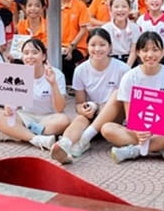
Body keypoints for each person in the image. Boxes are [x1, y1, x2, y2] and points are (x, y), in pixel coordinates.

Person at [104, 32, 164, 162]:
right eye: (145, 50)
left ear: (162, 52)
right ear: (138, 52)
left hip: (163, 130)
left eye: (155, 50)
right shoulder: (130, 77)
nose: (150, 55)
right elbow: (129, 116)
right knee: (107, 128)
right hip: (137, 131)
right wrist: (139, 132)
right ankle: (161, 147)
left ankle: (134, 151)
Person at [50, 28, 131, 163]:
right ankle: (64, 144)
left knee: (117, 94)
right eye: (93, 45)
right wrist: (83, 109)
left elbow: (126, 103)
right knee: (80, 119)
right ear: (87, 47)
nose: (97, 49)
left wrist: (100, 107)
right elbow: (79, 103)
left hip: (113, 118)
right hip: (92, 114)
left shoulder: (123, 69)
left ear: (110, 47)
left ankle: (84, 139)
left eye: (102, 45)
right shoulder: (81, 70)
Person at [0, 37, 72, 152]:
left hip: (48, 118)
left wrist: (53, 83)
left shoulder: (56, 74)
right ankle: (37, 139)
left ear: (44, 56)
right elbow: (10, 108)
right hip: (25, 116)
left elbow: (59, 108)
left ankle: (15, 134)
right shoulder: (17, 74)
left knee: (64, 120)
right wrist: (9, 107)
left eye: (35, 53)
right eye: (26, 53)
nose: (30, 56)